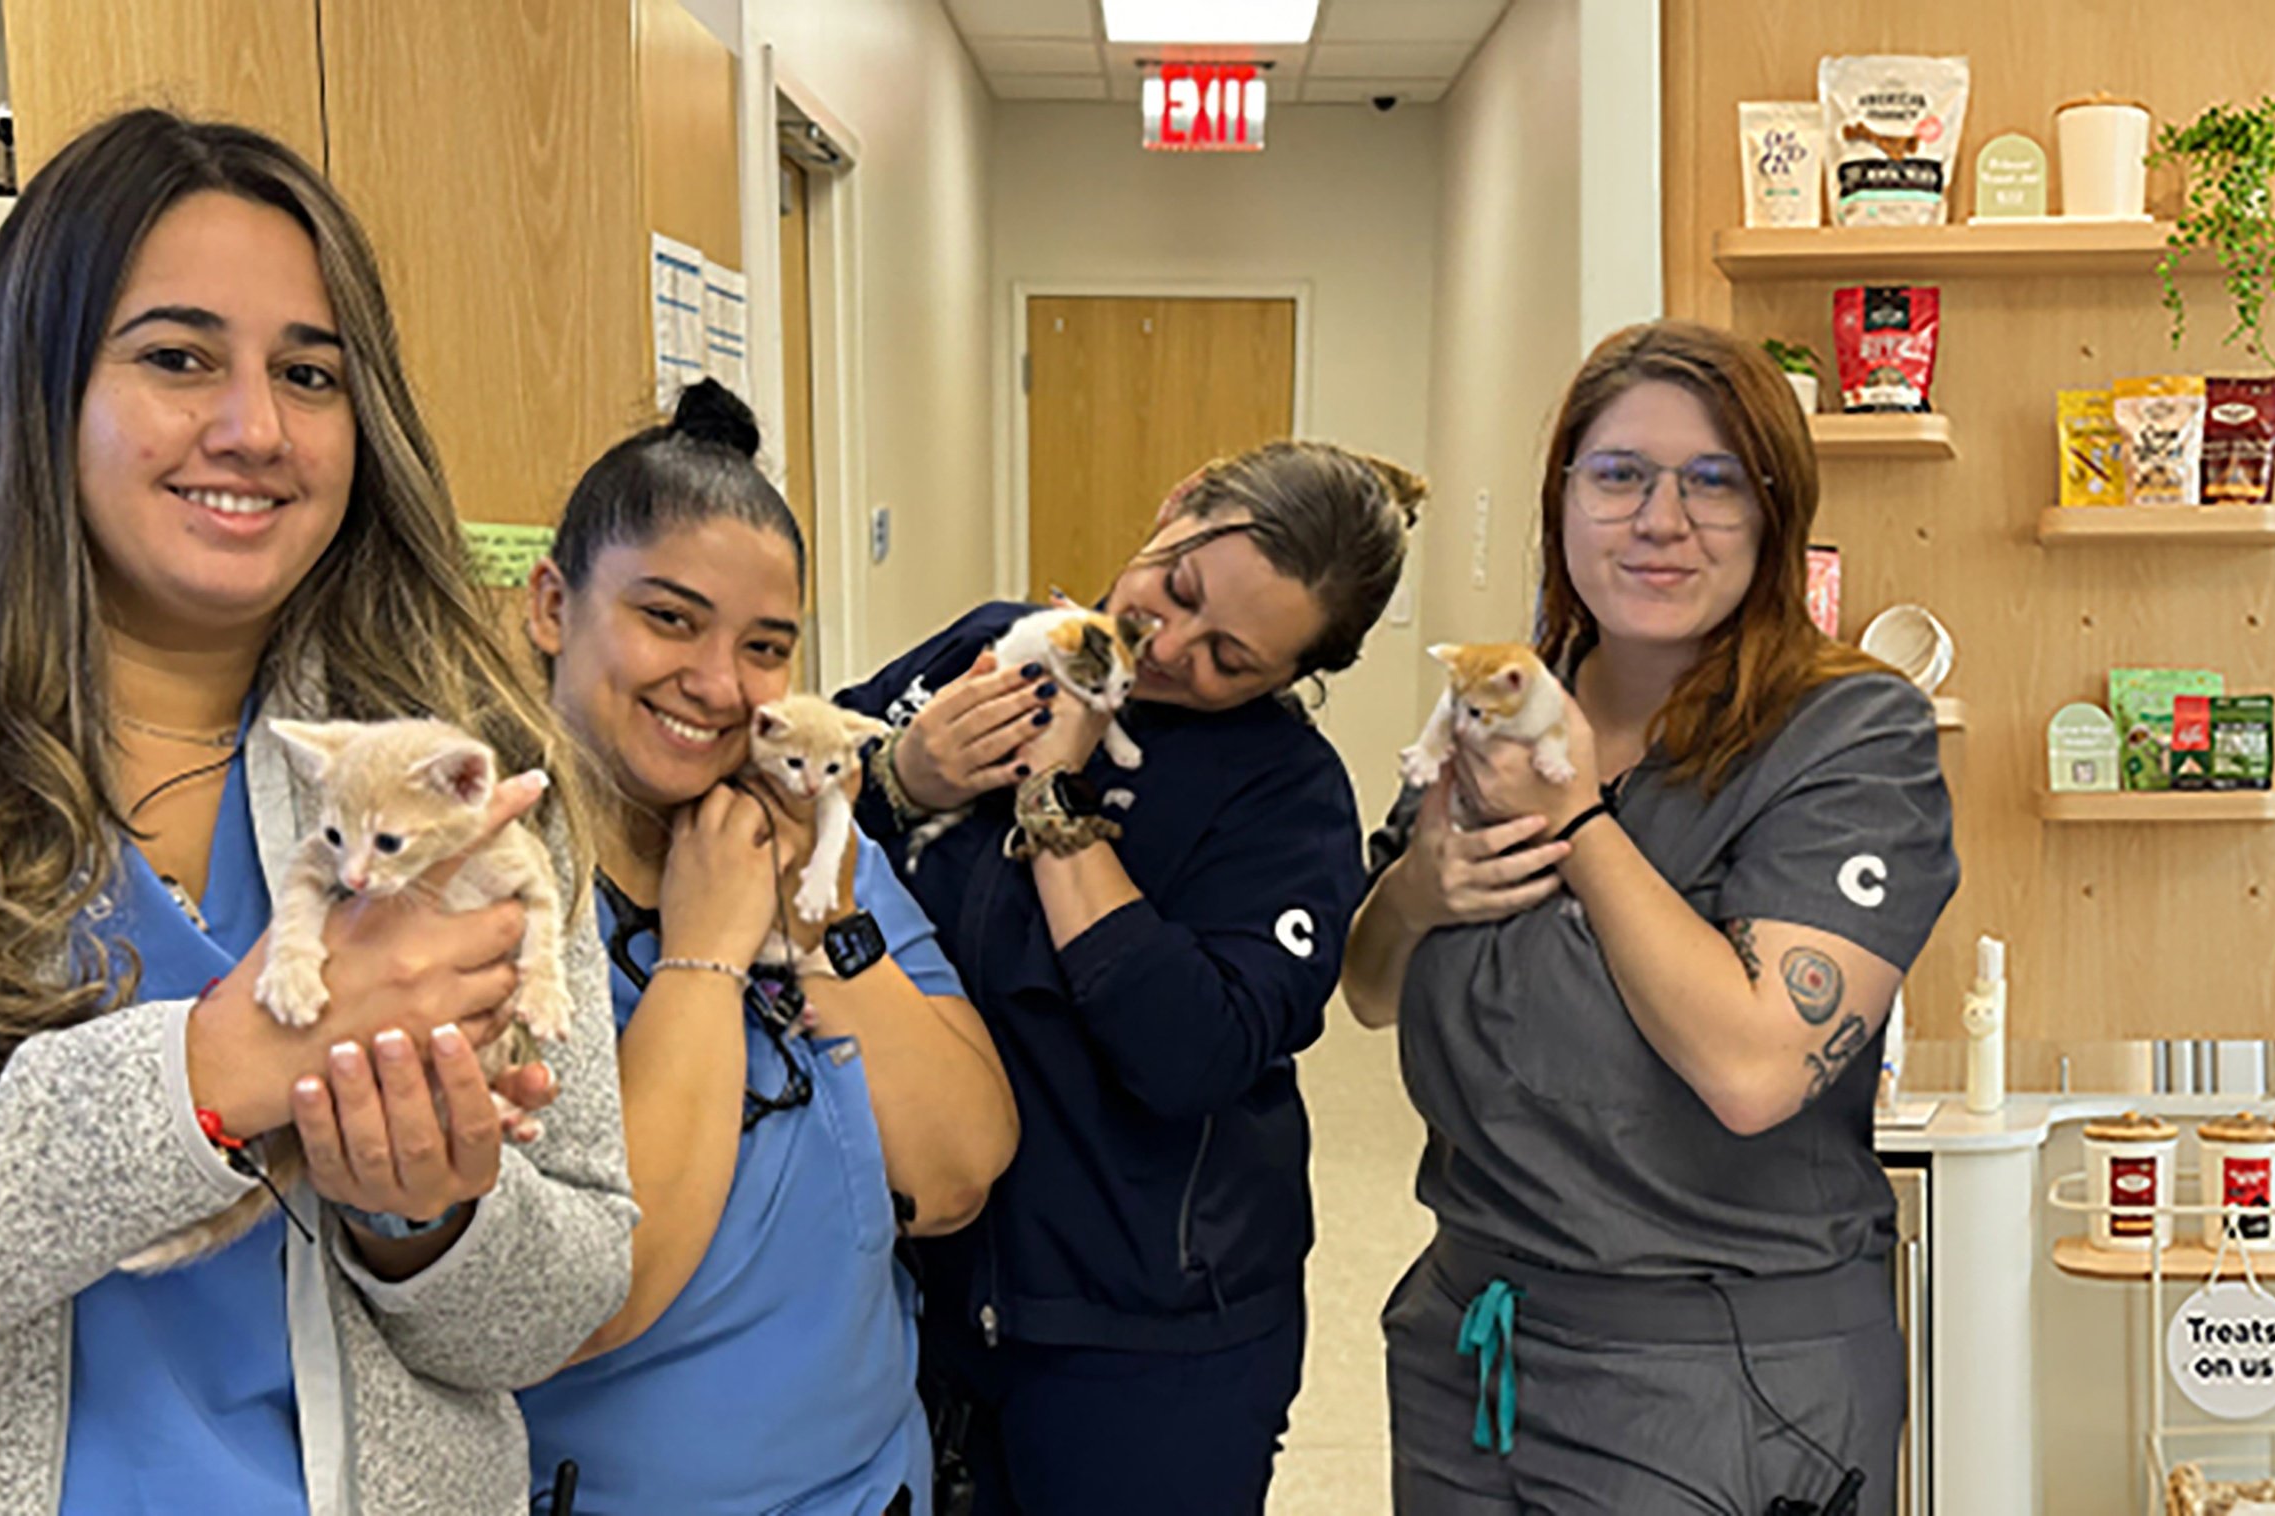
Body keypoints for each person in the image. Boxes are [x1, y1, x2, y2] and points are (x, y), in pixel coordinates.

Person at [0, 110, 634, 1513]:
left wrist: (425, 1214)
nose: (254, 429)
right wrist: (205, 1074)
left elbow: (563, 1300)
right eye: (177, 358)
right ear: (40, 384)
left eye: (309, 373)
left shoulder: (464, 773)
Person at [1343, 320, 1959, 1516]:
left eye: (1714, 481)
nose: (1660, 520)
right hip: (1474, 1343)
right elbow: (1370, 991)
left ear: (1774, 514)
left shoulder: (1850, 736)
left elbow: (1754, 1069)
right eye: (1619, 474)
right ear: (1562, 498)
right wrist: (1417, 890)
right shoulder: (1503, 704)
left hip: (1715, 1372)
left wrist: (1577, 819)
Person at [835, 439, 1423, 1515]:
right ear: (1177, 501)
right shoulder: (988, 648)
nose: (1168, 647)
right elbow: (792, 807)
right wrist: (900, 773)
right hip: (918, 1287)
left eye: (1230, 658)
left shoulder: (1287, 796)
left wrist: (1054, 799)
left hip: (1145, 1337)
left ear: (1290, 679)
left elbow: (1191, 1053)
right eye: (1179, 588)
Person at [515, 379, 1018, 1516]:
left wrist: (811, 923)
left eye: (765, 646)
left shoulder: (811, 842)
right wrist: (703, 956)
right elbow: (590, 1294)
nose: (717, 685)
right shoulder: (495, 889)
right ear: (552, 605)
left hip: (874, 1483)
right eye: (668, 618)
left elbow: (957, 1169)